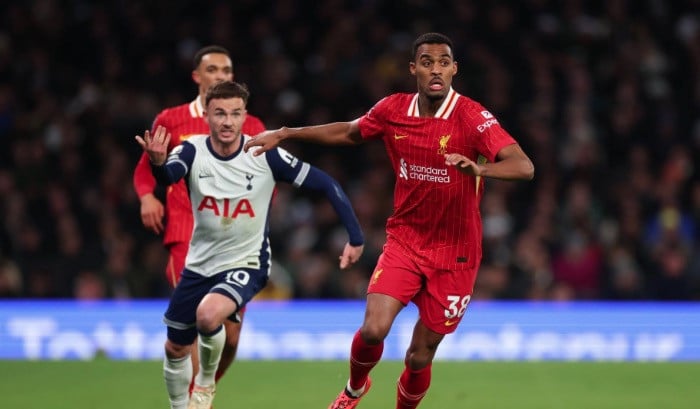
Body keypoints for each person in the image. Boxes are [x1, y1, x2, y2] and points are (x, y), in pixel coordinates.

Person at [244, 32, 535, 409]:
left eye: (443, 63)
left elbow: (523, 166)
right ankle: (354, 390)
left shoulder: (471, 117)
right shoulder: (393, 109)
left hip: (456, 254)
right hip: (406, 242)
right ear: (414, 69)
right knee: (373, 329)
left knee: (419, 356)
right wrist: (286, 133)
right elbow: (350, 131)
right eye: (427, 63)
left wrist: (480, 170)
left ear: (454, 70)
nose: (436, 70)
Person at [136, 80, 365, 409]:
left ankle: (204, 384)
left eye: (235, 113)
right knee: (174, 349)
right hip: (199, 265)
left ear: (245, 116)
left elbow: (327, 184)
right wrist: (157, 163)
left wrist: (355, 237)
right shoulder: (191, 150)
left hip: (247, 263)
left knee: (207, 316)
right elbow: (168, 177)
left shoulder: (263, 153)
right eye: (219, 113)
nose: (227, 121)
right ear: (207, 118)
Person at [132, 45, 265, 389]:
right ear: (197, 76)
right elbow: (147, 167)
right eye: (212, 70)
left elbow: (267, 179)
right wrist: (147, 196)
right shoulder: (171, 120)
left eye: (226, 70)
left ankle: (203, 390)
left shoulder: (251, 125)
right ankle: (195, 399)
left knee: (231, 338)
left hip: (236, 242)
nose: (220, 76)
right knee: (194, 323)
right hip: (186, 235)